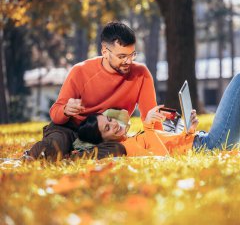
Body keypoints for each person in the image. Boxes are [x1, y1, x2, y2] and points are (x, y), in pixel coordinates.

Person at [77, 73, 240, 157]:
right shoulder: (126, 150)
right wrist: (149, 128)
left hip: (205, 140)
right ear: (103, 140)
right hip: (212, 146)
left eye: (109, 120)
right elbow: (163, 157)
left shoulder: (133, 135)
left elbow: (177, 145)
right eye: (107, 129)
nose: (113, 125)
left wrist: (188, 128)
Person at [26, 21, 163, 161]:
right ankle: (31, 158)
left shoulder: (141, 74)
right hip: (70, 129)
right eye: (122, 56)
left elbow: (152, 119)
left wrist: (163, 142)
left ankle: (71, 161)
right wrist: (66, 110)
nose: (128, 61)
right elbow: (56, 114)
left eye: (132, 55)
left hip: (105, 136)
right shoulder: (80, 71)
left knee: (119, 149)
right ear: (104, 51)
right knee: (55, 146)